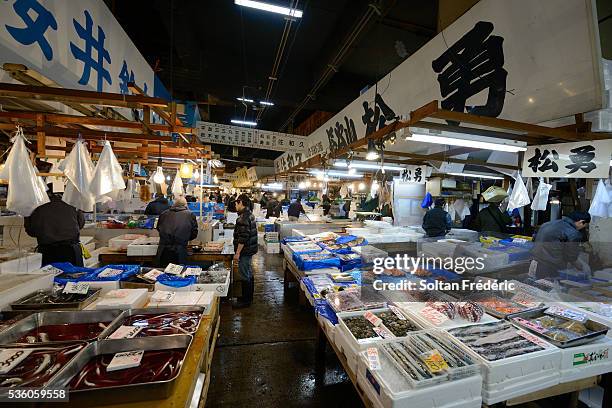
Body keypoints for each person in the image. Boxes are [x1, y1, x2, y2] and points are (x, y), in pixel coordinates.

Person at [25, 189, 85, 266]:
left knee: (50, 277)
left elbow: (31, 231)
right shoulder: (71, 201)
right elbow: (81, 223)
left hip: (47, 252)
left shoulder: (34, 203)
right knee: (74, 276)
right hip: (71, 251)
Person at [531, 211, 591, 279]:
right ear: (581, 222)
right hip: (551, 267)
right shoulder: (573, 233)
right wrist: (584, 268)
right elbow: (571, 257)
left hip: (535, 262)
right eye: (584, 226)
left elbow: (534, 239)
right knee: (552, 287)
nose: (582, 229)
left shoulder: (547, 224)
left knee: (538, 285)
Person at [155, 196, 198, 266]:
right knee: (178, 274)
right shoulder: (190, 214)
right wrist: (184, 238)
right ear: (185, 205)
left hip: (163, 251)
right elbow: (194, 233)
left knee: (163, 273)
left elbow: (158, 228)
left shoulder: (164, 213)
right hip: (180, 251)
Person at [233, 194, 258, 307]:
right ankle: (248, 297)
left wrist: (237, 253)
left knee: (244, 274)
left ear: (241, 203)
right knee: (248, 272)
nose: (235, 205)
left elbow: (243, 237)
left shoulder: (243, 217)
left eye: (236, 202)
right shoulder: (249, 214)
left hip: (245, 250)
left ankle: (246, 301)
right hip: (250, 249)